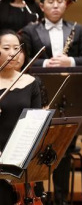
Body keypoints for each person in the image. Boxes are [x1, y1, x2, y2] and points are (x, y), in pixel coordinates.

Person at [0, 30, 43, 205]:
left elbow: (37, 122)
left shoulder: (31, 82)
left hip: (22, 157)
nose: (13, 53)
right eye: (6, 48)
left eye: (17, 48)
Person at [20, 0, 82, 67]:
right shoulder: (30, 31)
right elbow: (23, 60)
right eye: (50, 2)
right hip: (40, 78)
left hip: (72, 78)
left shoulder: (78, 29)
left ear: (65, 5)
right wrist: (46, 63)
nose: (55, 6)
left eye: (60, 2)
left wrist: (69, 61)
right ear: (42, 6)